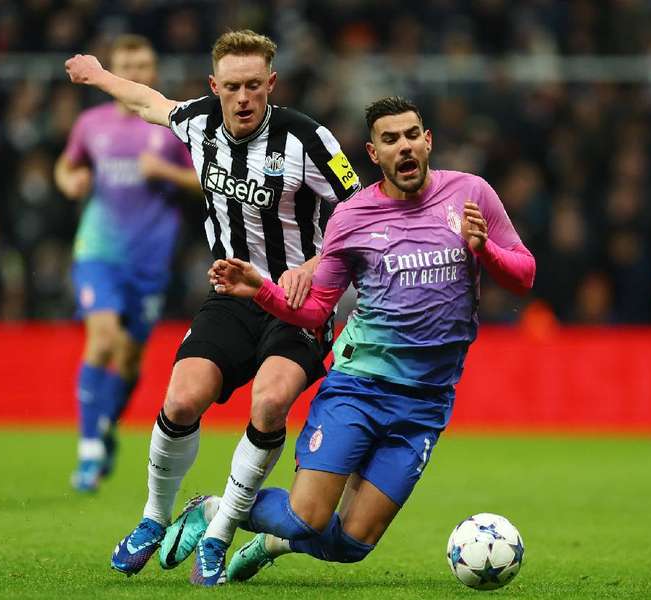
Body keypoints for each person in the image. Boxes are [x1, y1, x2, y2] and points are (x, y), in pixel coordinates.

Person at [63, 29, 361, 584]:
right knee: (181, 398)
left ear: (271, 83)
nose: (244, 98)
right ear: (214, 87)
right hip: (230, 297)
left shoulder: (310, 140)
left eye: (254, 86)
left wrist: (313, 266)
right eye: (232, 87)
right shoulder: (197, 121)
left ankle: (219, 530)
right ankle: (153, 518)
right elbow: (149, 101)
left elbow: (361, 214)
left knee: (270, 404)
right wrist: (99, 74)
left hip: (297, 304)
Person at [205, 96, 535, 583]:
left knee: (351, 545)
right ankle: (216, 511)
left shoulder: (471, 194)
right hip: (359, 387)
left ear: (428, 141)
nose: (403, 147)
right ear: (373, 153)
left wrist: (485, 251)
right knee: (308, 518)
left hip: (426, 401)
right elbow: (317, 309)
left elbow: (524, 274)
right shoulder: (352, 218)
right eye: (390, 139)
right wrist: (263, 291)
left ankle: (271, 542)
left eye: (410, 136)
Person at [55, 34, 200, 493]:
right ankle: (88, 450)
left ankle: (104, 426)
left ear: (154, 72)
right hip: (98, 252)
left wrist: (170, 174)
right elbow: (67, 165)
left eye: (143, 65)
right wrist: (71, 181)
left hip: (150, 262)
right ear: (111, 71)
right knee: (101, 340)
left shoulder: (171, 125)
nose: (135, 73)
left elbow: (209, 181)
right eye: (126, 65)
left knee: (130, 360)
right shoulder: (91, 124)